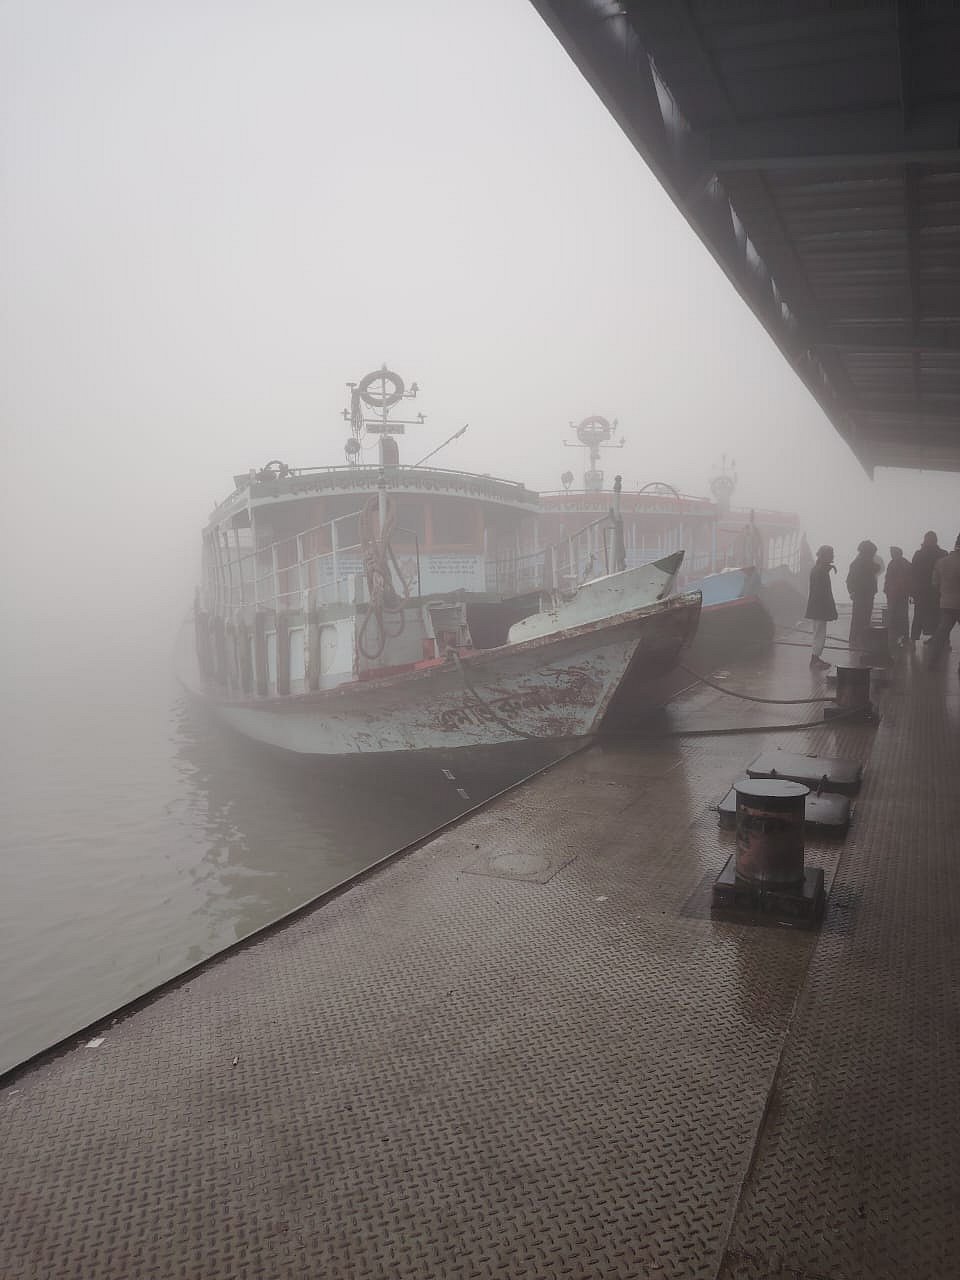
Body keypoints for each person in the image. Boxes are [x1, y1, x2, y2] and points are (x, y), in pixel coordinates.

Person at [910, 531, 947, 643]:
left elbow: (913, 573)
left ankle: (913, 640)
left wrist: (913, 591)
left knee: (919, 615)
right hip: (937, 591)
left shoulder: (919, 554)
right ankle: (939, 639)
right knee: (937, 616)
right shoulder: (942, 554)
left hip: (922, 591)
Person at [929, 534, 960, 668]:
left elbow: (935, 583)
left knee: (941, 633)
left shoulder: (941, 562)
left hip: (946, 603)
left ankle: (933, 661)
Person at [805, 544, 837, 668]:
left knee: (817, 632)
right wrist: (829, 608)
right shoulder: (820, 571)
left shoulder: (817, 569)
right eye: (831, 555)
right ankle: (815, 659)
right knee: (820, 633)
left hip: (816, 606)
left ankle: (816, 657)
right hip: (820, 607)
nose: (832, 557)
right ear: (825, 556)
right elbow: (822, 592)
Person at [846, 540, 880, 649]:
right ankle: (856, 639)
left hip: (866, 594)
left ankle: (858, 639)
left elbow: (876, 568)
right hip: (861, 595)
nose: (873, 555)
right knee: (859, 618)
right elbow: (850, 580)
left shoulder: (862, 563)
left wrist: (851, 591)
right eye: (872, 553)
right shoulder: (858, 564)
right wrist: (852, 592)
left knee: (863, 618)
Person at [883, 546, 912, 647]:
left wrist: (886, 589)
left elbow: (889, 578)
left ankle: (895, 635)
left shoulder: (894, 563)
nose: (891, 554)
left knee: (895, 615)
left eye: (892, 553)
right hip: (901, 593)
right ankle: (904, 635)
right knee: (902, 615)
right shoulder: (906, 563)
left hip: (895, 594)